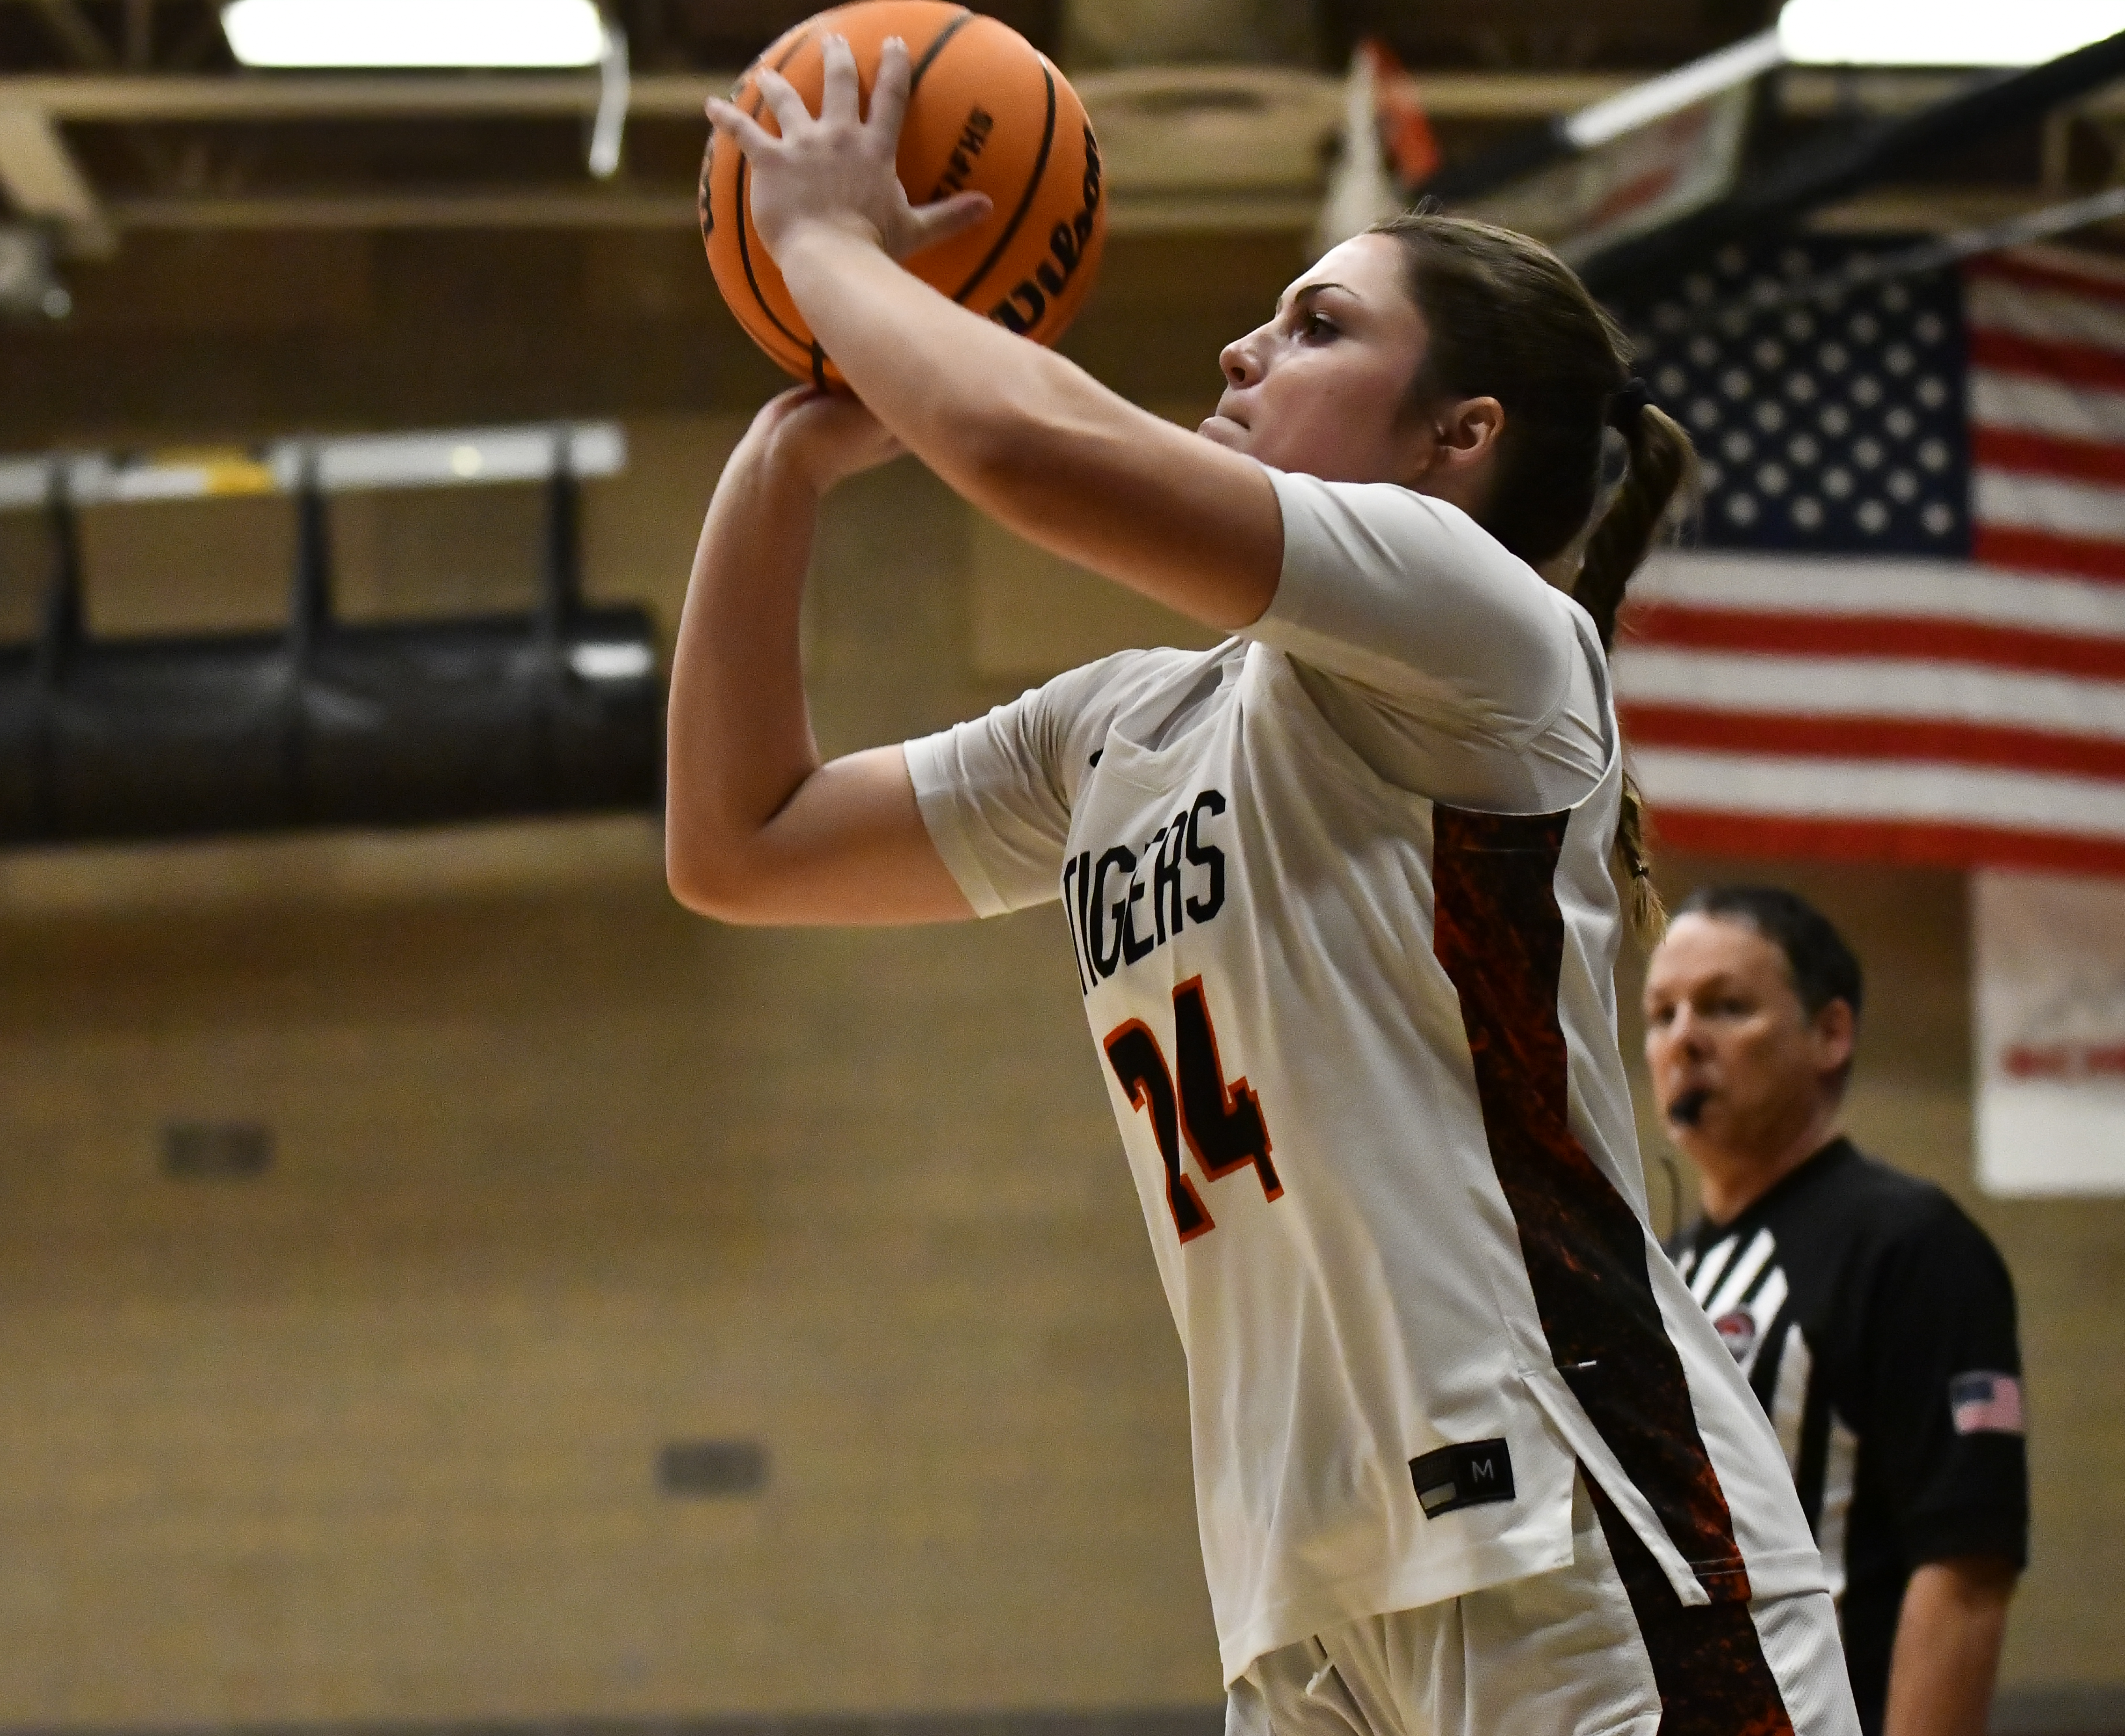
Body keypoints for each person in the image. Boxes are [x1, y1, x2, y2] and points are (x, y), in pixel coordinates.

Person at [675, 37, 1856, 1736]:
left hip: (1581, 1552)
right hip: (1300, 1599)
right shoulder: (1123, 728)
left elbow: (1024, 453)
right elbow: (739, 842)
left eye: (1316, 326)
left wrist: (829, 248)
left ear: (1458, 436)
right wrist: (779, 460)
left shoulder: (1480, 623)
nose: (1242, 345)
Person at [1642, 887, 2028, 1736]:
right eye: (1661, 1014)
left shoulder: (1911, 1244)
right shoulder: (1659, 1273)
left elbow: (1967, 1567)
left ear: (1832, 1034)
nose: (1683, 1040)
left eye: (1726, 1007)